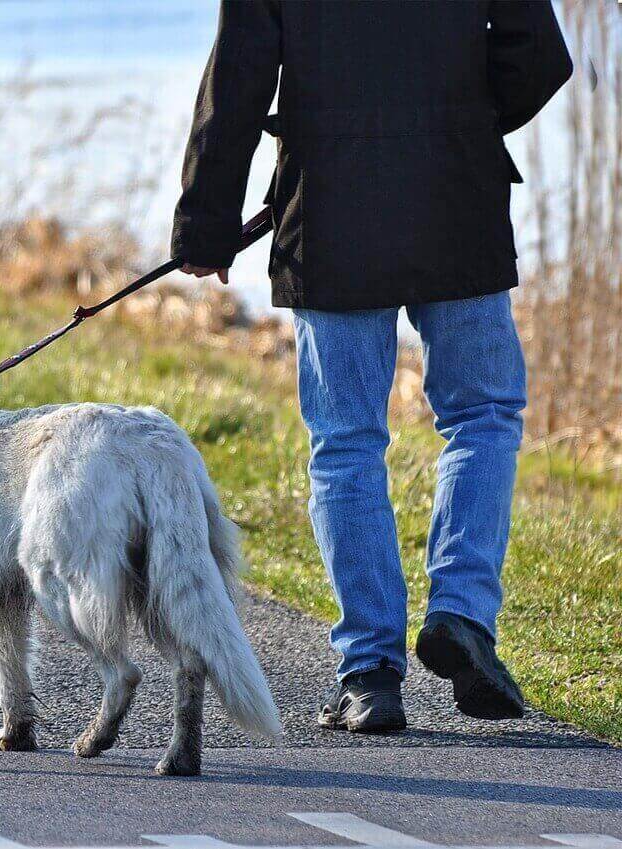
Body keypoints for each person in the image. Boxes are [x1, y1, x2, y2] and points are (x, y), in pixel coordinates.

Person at [172, 1, 572, 733]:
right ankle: (462, 614)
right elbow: (540, 58)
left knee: (347, 439)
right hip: (460, 197)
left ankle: (369, 674)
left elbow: (237, 80)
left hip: (331, 213)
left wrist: (205, 221)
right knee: (482, 415)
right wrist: (461, 123)